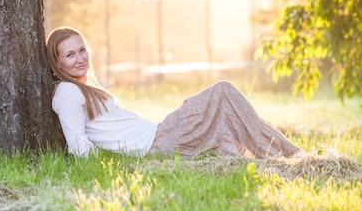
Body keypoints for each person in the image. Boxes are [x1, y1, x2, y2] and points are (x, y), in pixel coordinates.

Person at [47, 26, 303, 159]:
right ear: (58, 63)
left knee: (224, 120)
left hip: (158, 135)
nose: (80, 58)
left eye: (82, 50)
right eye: (70, 54)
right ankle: (288, 155)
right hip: (157, 142)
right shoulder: (68, 92)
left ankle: (277, 154)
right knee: (223, 91)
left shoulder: (84, 88)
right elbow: (77, 143)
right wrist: (109, 167)